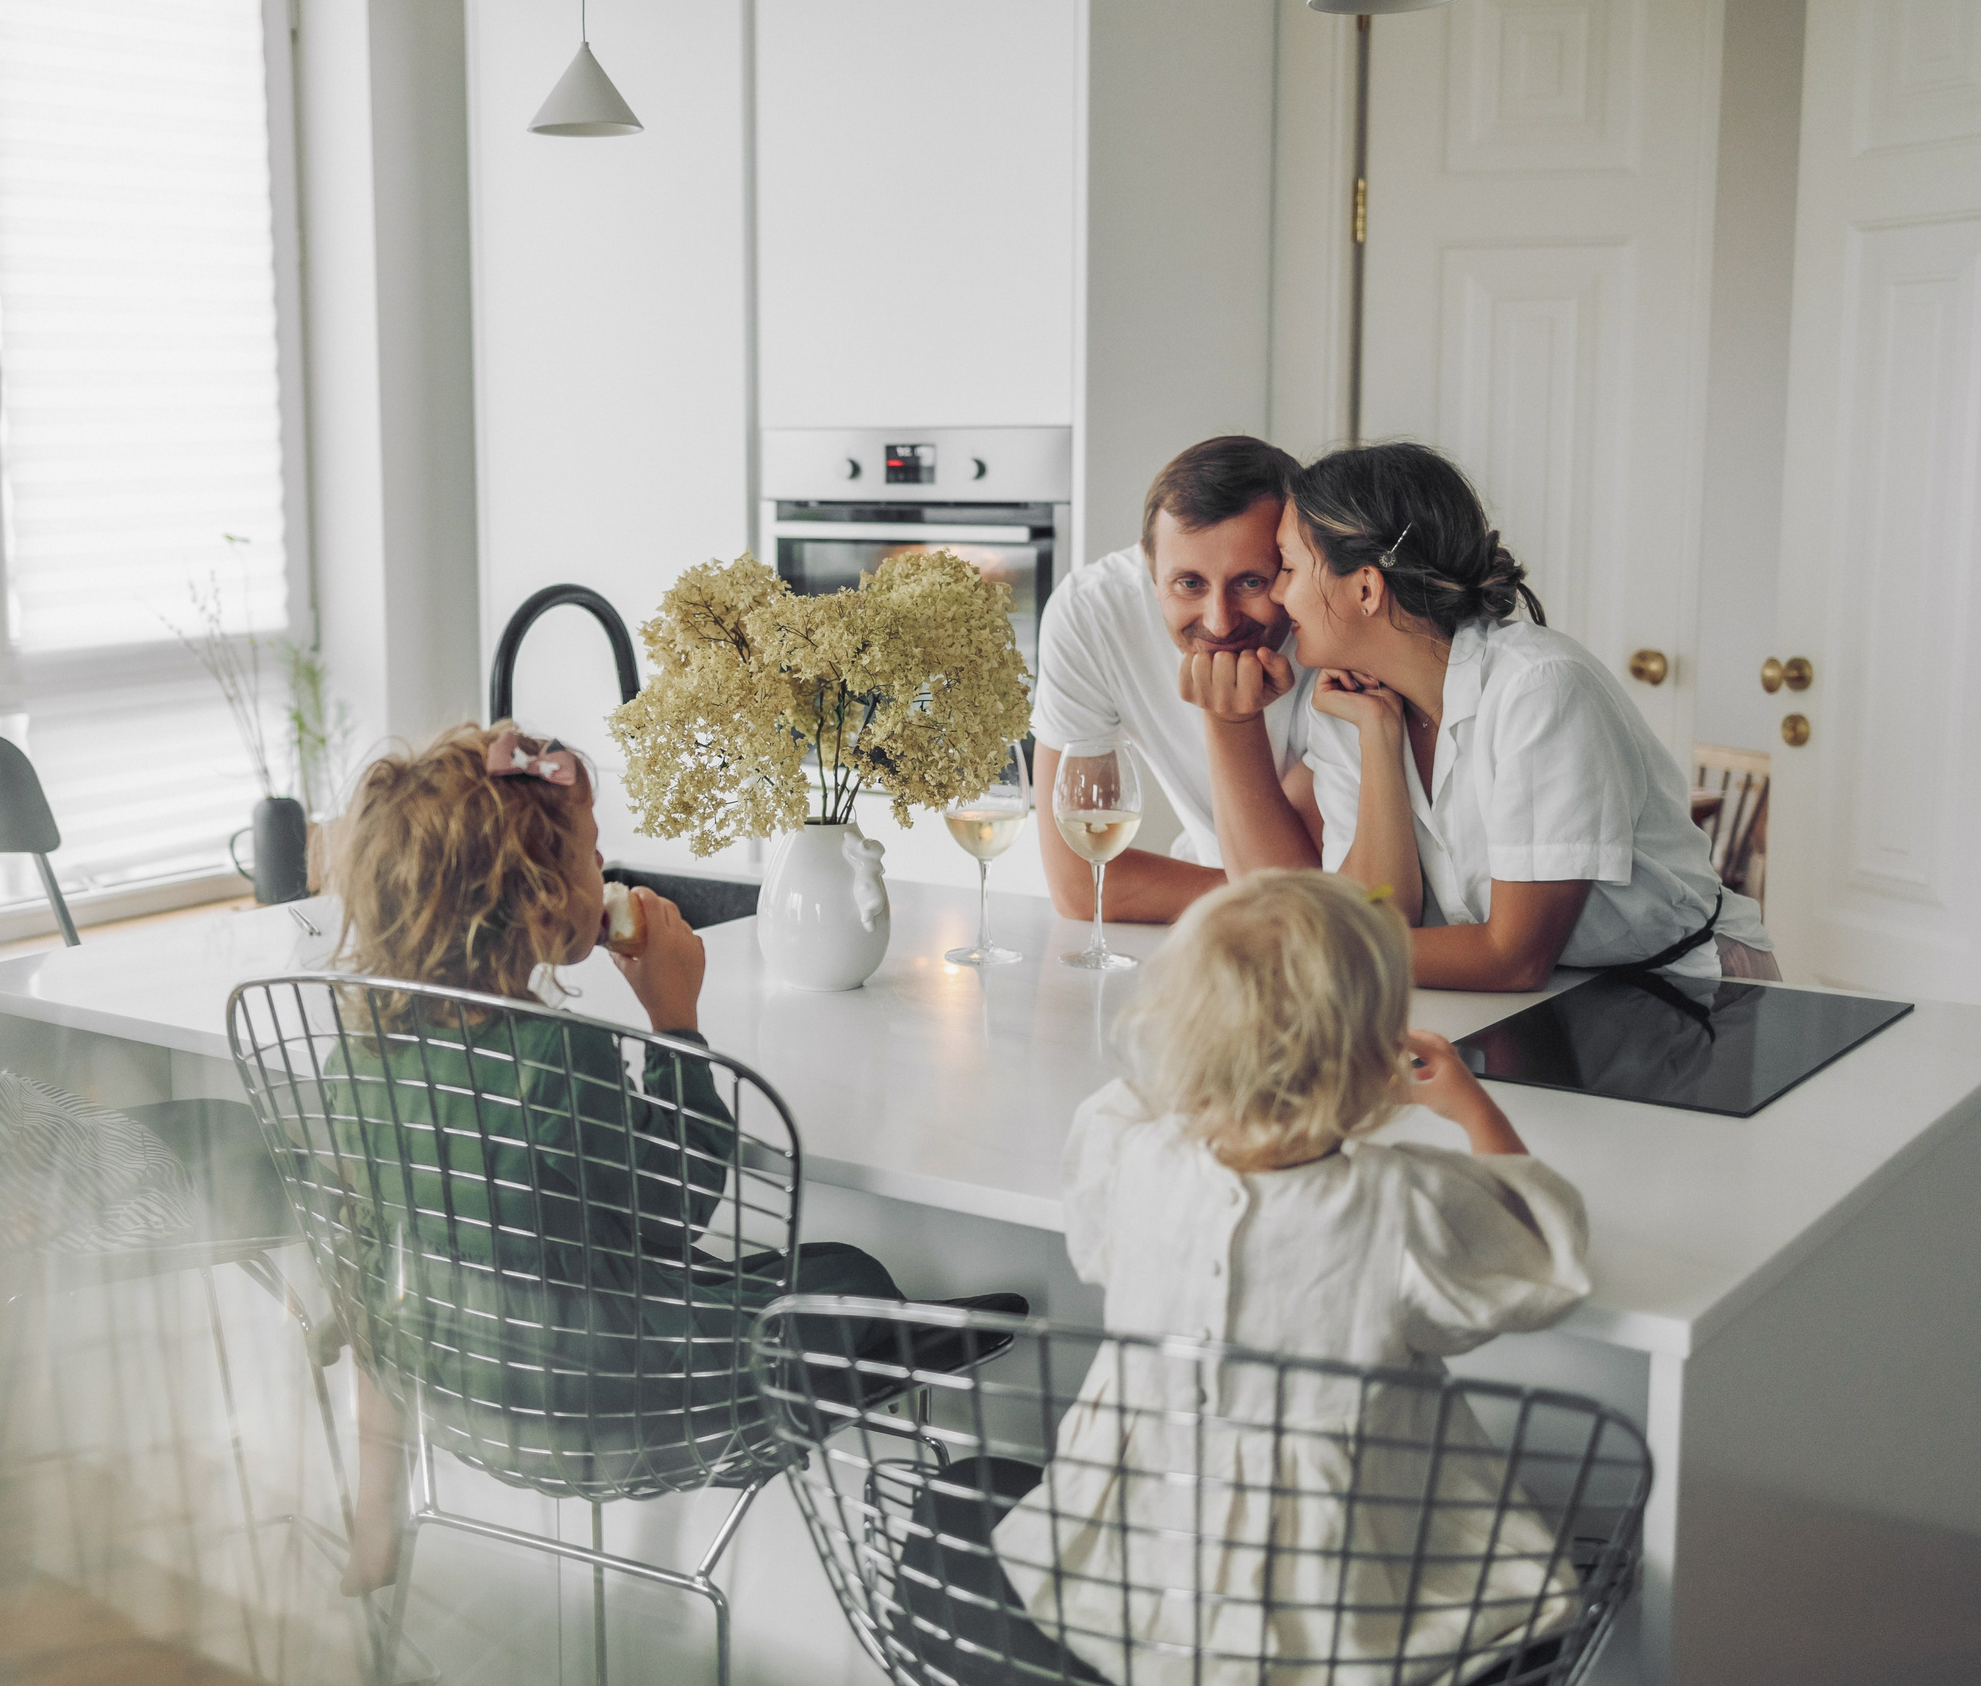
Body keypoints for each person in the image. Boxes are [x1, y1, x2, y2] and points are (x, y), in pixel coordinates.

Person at [321, 722, 1022, 1595]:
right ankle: (895, 1342)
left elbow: (361, 1271)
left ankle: (376, 1534)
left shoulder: (353, 1060)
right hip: (623, 1411)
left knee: (784, 1277)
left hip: (466, 1396)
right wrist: (674, 1018)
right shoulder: (550, 1055)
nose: (607, 873)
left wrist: (369, 1509)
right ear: (543, 902)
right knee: (851, 1273)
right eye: (591, 854)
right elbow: (672, 1218)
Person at [914, 871, 1592, 1683]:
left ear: (1180, 1036)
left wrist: (1218, 1060)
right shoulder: (1399, 1202)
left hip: (1129, 1587)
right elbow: (1543, 1253)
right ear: (1377, 1057)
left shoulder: (1132, 1158)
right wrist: (1472, 1109)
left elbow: (1112, 1145)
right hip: (1341, 1614)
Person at [1184, 441, 1778, 990]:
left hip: (1689, 993)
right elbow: (1380, 912)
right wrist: (1379, 740)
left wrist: (1314, 956)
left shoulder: (1540, 690)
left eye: (1287, 567)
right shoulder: (1349, 707)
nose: (1278, 597)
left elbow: (1513, 957)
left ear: (1366, 588)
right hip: (1541, 1002)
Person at [1031, 435, 1322, 921]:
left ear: (1295, 561)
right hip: (1241, 925)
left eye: (1252, 581)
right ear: (1150, 566)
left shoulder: (1338, 628)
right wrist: (1257, 886)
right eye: (1189, 583)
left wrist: (1279, 888)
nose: (1220, 622)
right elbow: (1081, 883)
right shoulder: (1093, 611)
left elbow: (1304, 902)